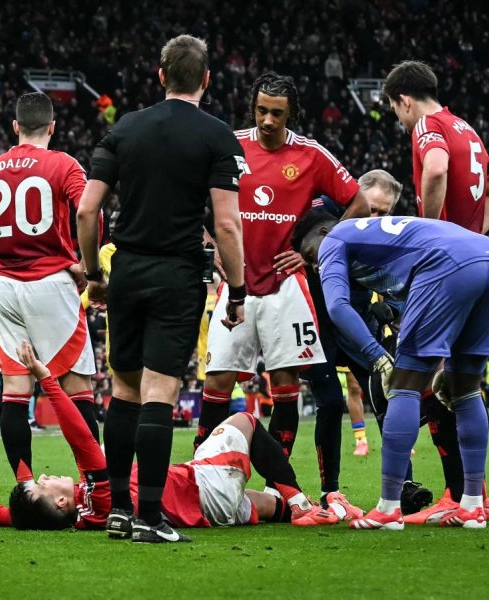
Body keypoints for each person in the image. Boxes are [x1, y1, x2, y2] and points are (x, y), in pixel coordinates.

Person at [76, 34, 248, 543]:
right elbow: (228, 225)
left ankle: (120, 511)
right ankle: (152, 517)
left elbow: (88, 210)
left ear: (160, 76)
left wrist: (94, 274)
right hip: (177, 274)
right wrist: (237, 291)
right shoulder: (217, 136)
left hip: (126, 269)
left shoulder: (127, 128)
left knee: (124, 392)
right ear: (207, 80)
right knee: (159, 393)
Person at [0, 342, 337, 534]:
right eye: (43, 482)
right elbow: (82, 440)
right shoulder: (100, 495)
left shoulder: (85, 519)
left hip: (209, 512)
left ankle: (297, 508)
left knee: (267, 506)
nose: (46, 475)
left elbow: (5, 517)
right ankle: (303, 502)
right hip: (200, 482)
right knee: (245, 420)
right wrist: (45, 379)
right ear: (59, 500)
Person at [194, 72, 370, 514]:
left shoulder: (311, 155)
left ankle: (279, 487)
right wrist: (209, 242)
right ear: (252, 108)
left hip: (283, 288)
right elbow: (188, 193)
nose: (268, 120)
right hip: (236, 285)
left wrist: (314, 253)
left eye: (277, 112)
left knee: (285, 385)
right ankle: (197, 472)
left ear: (291, 113)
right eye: (261, 110)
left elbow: (360, 204)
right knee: (218, 382)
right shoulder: (228, 144)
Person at [293, 213, 489, 529]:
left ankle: (389, 509)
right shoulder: (378, 240)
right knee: (465, 389)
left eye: (311, 255)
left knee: (403, 386)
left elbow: (338, 307)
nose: (315, 266)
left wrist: (378, 358)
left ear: (324, 232)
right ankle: (474, 506)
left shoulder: (335, 239)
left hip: (446, 264)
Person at [0, 91, 99, 473]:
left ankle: (24, 485)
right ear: (53, 127)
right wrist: (86, 267)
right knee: (78, 390)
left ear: (15, 126)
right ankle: (95, 484)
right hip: (52, 283)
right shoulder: (64, 165)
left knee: (15, 393)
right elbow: (90, 212)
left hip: (5, 288)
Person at [382, 60, 489, 523]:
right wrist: (474, 235)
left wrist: (432, 237)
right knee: (461, 382)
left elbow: (435, 171)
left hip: (447, 270)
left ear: (404, 100)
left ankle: (453, 494)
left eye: (396, 111)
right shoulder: (467, 128)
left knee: (413, 377)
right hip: (481, 261)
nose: (400, 120)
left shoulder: (428, 126)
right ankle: (474, 496)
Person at [303, 170, 433, 518]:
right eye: (372, 209)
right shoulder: (321, 209)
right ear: (355, 197)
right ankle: (330, 491)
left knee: (387, 395)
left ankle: (403, 486)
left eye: (384, 213)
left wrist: (390, 307)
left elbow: (406, 286)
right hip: (317, 323)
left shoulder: (387, 236)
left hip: (359, 326)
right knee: (330, 403)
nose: (377, 219)